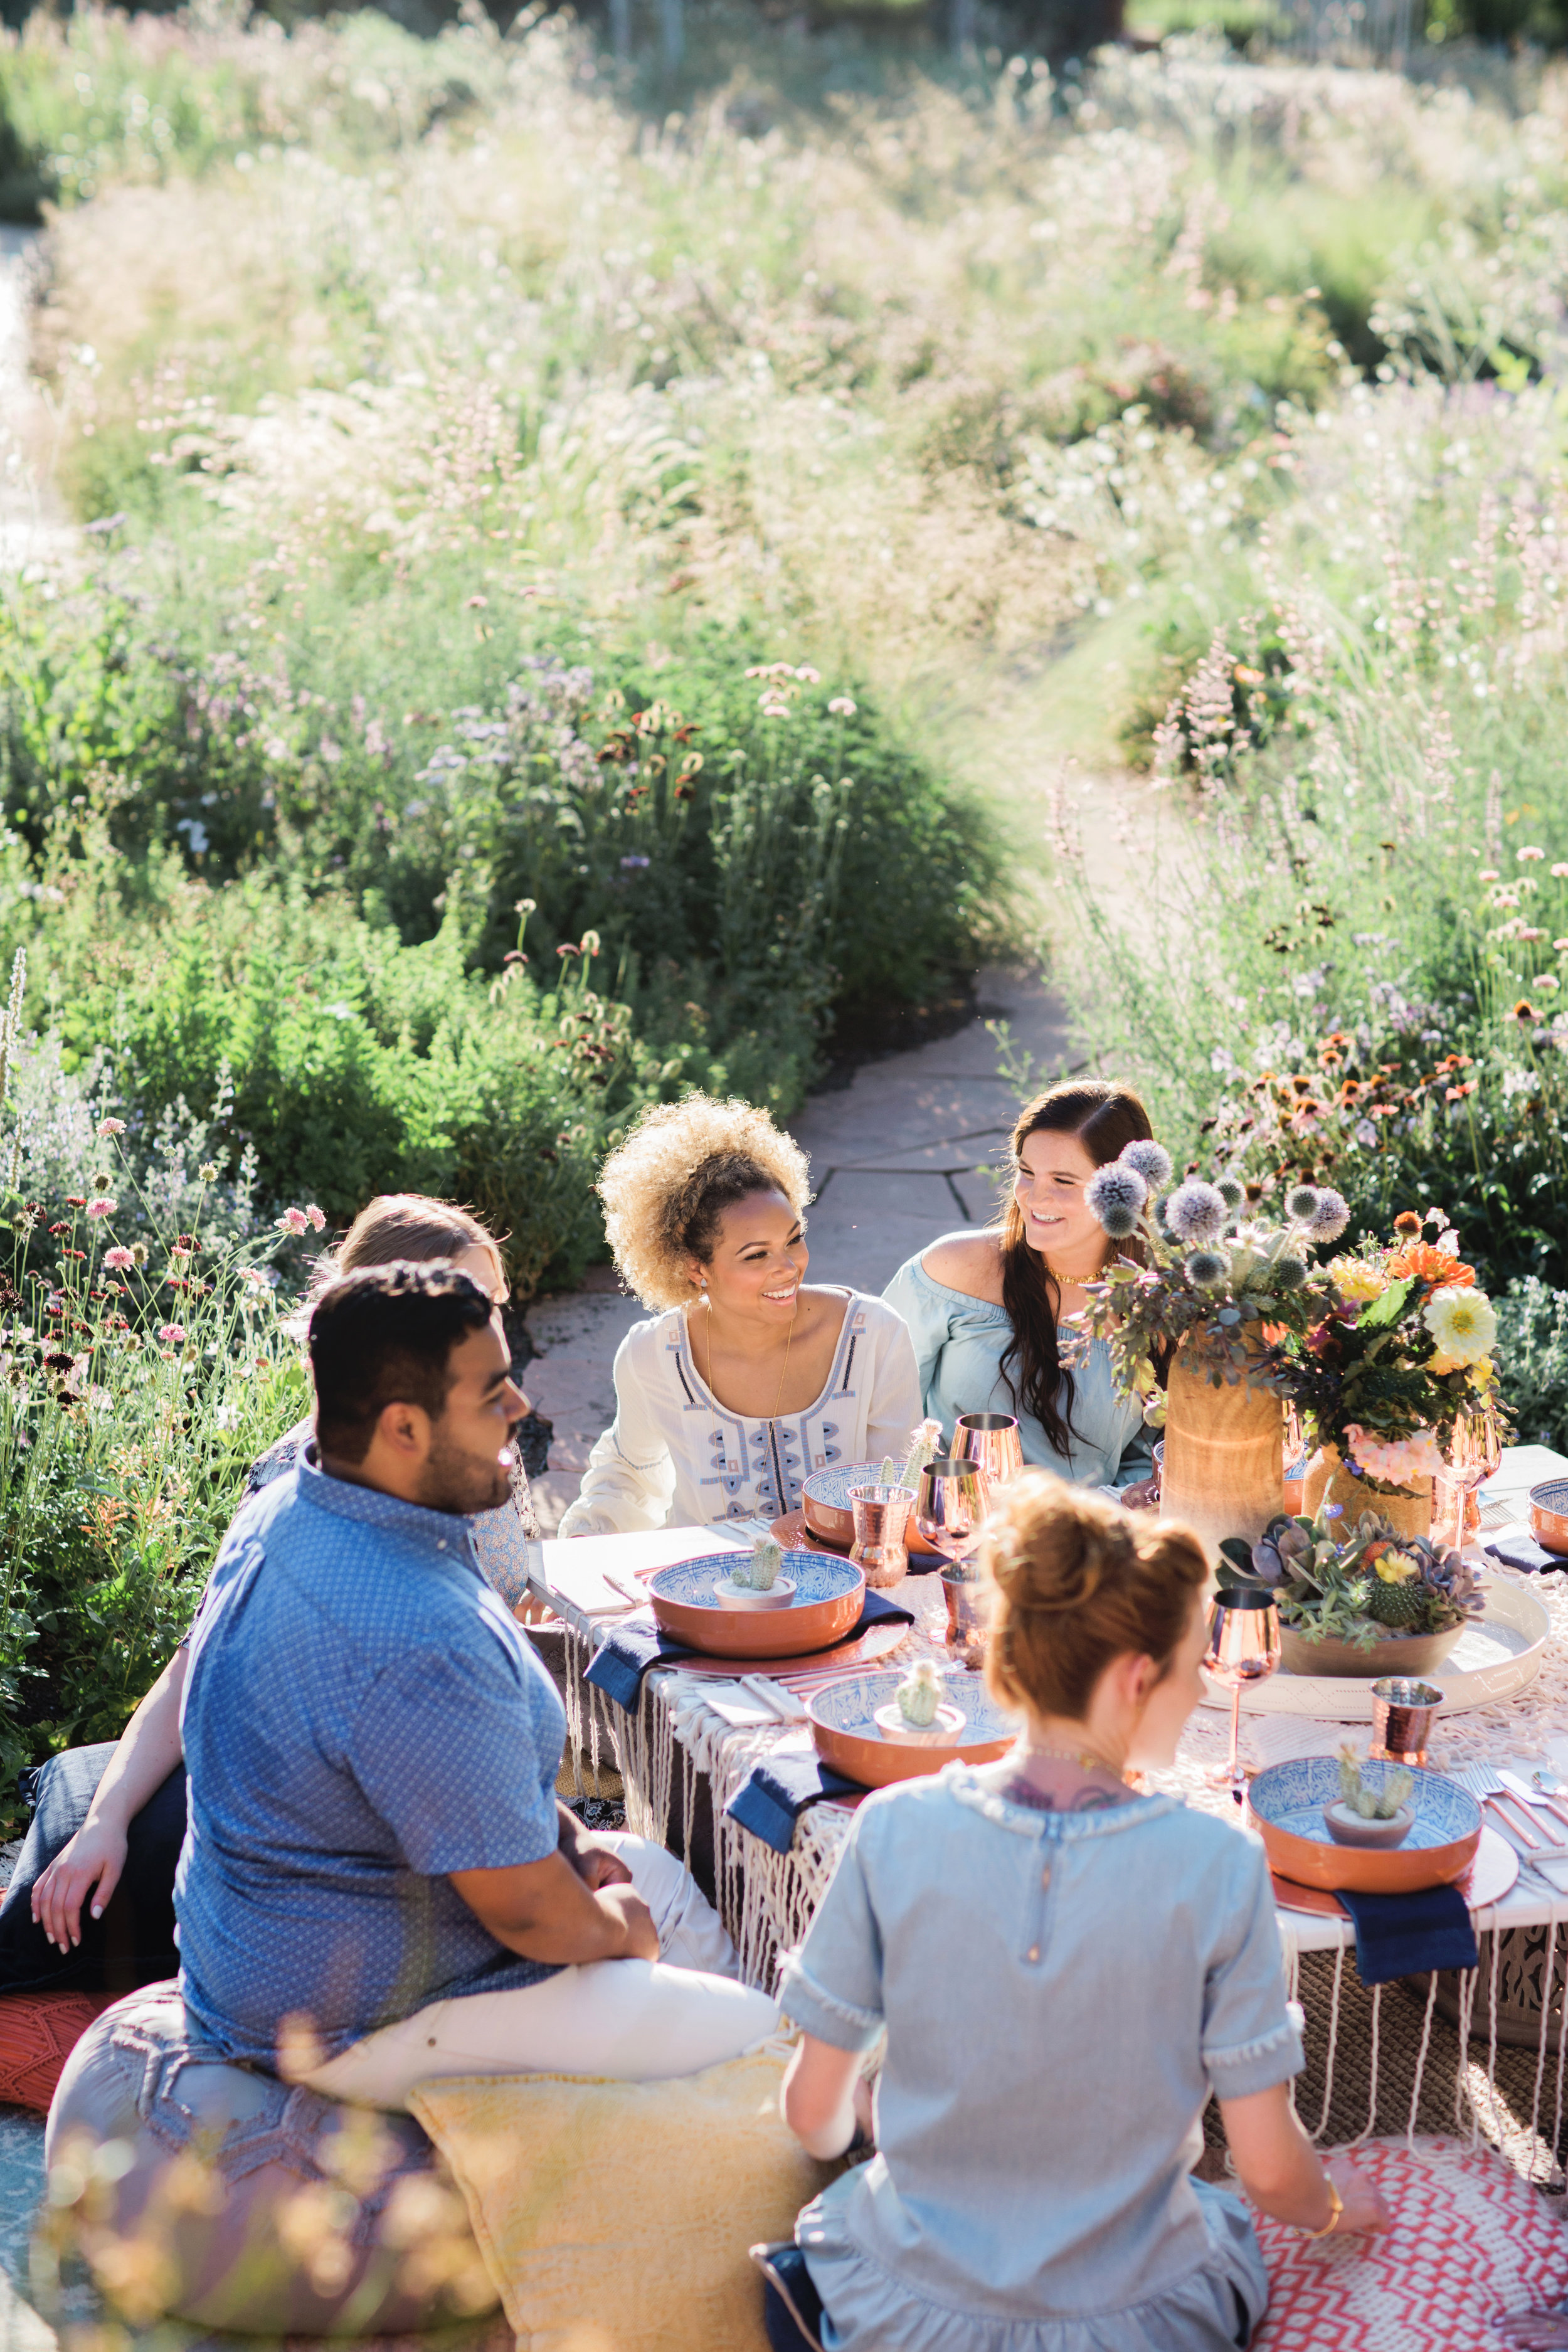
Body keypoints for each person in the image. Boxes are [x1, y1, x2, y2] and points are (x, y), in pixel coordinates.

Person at [761, 1476, 1391, 2352]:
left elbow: (810, 2114)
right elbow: (1269, 2168)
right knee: (1214, 2218)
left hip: (904, 2315)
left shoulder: (892, 1827)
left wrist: (871, 2122)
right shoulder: (1219, 1863)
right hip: (1139, 2322)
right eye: (1188, 1668)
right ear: (1137, 1677)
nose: (1197, 1692)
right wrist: (1331, 2208)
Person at [177, 1263, 776, 2107]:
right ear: (404, 1428)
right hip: (347, 2017)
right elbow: (528, 1914)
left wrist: (570, 1843)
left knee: (661, 1877)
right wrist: (618, 1933)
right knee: (757, 2044)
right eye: (493, 1391)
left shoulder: (295, 1504)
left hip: (279, 1936)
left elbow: (459, 1783)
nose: (520, 1407)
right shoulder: (416, 1633)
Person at [2, 1194, 537, 1995]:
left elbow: (513, 1593)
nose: (478, 1323)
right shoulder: (298, 1480)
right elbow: (199, 1664)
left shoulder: (485, 1434)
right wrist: (106, 1822)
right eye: (452, 1300)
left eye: (487, 1302)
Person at [559, 1096, 921, 1537]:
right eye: (756, 1255)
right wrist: (572, 1559)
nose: (788, 1267)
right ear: (697, 1268)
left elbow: (900, 1486)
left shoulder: (874, 1335)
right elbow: (629, 1478)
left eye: (794, 1239)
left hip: (853, 1591)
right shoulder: (651, 1355)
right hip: (703, 1593)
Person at [882, 1079, 1155, 1491]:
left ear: (1122, 1193)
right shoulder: (952, 1269)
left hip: (1079, 1543)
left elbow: (1148, 1463)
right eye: (1026, 1172)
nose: (1034, 1197)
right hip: (938, 1531)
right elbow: (879, 1410)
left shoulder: (1157, 1310)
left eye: (1063, 1181)